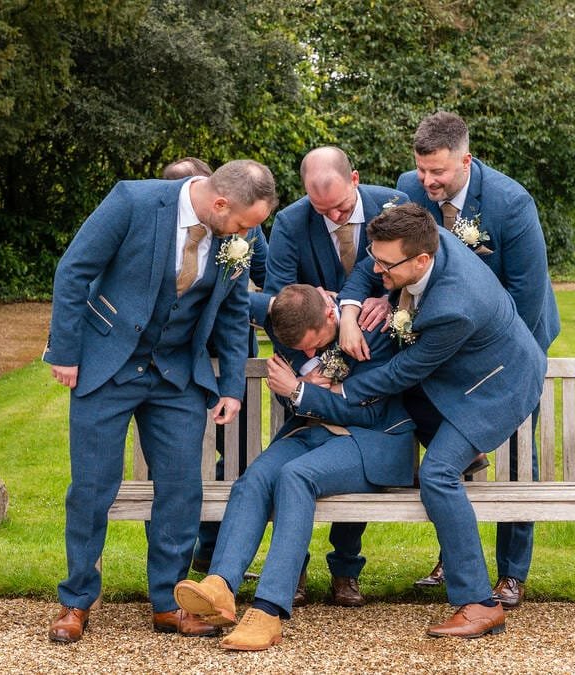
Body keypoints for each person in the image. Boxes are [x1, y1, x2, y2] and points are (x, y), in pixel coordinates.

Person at [43, 159, 277, 643]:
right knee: (91, 487)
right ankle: (76, 600)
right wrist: (65, 351)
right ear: (219, 204)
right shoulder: (133, 200)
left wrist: (231, 386)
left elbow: (234, 312)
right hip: (107, 363)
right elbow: (74, 271)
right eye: (243, 225)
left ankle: (171, 600)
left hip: (176, 373)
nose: (248, 236)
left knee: (180, 488)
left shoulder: (237, 237)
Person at [364, 111, 560, 607]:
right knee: (449, 450)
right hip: (444, 335)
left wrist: (518, 379)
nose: (428, 182)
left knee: (519, 455)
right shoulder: (412, 186)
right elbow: (399, 252)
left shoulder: (511, 204)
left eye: (440, 173)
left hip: (511, 340)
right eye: (421, 170)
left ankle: (512, 572)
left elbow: (527, 296)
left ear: (466, 160)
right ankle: (453, 557)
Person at [338, 203, 545, 638]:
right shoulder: (427, 238)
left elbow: (404, 373)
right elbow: (379, 277)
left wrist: (339, 391)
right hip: (468, 369)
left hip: (498, 386)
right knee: (414, 412)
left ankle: (478, 603)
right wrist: (371, 301)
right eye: (374, 257)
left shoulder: (454, 305)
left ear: (421, 260)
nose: (377, 270)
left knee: (437, 475)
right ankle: (463, 457)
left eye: (386, 264)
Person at [172, 283, 417, 651]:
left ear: (332, 315)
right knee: (253, 479)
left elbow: (371, 409)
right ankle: (220, 587)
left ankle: (269, 610)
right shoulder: (287, 320)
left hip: (372, 440)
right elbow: (233, 297)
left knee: (295, 477)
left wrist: (298, 391)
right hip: (311, 432)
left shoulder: (372, 327)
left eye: (312, 343)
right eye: (299, 348)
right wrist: (273, 304)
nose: (307, 353)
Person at [250, 145, 407, 608]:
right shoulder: (292, 222)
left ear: (355, 179)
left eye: (340, 205)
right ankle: (292, 570)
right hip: (306, 362)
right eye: (323, 210)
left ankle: (345, 570)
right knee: (293, 466)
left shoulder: (392, 205)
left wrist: (381, 301)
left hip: (371, 362)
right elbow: (277, 302)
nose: (334, 216)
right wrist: (308, 369)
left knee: (354, 460)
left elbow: (418, 280)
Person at [160, 158, 267, 577]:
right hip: (172, 364)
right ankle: (172, 559)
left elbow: (263, 278)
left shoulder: (242, 225)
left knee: (235, 455)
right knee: (168, 463)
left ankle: (214, 552)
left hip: (229, 353)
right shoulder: (160, 222)